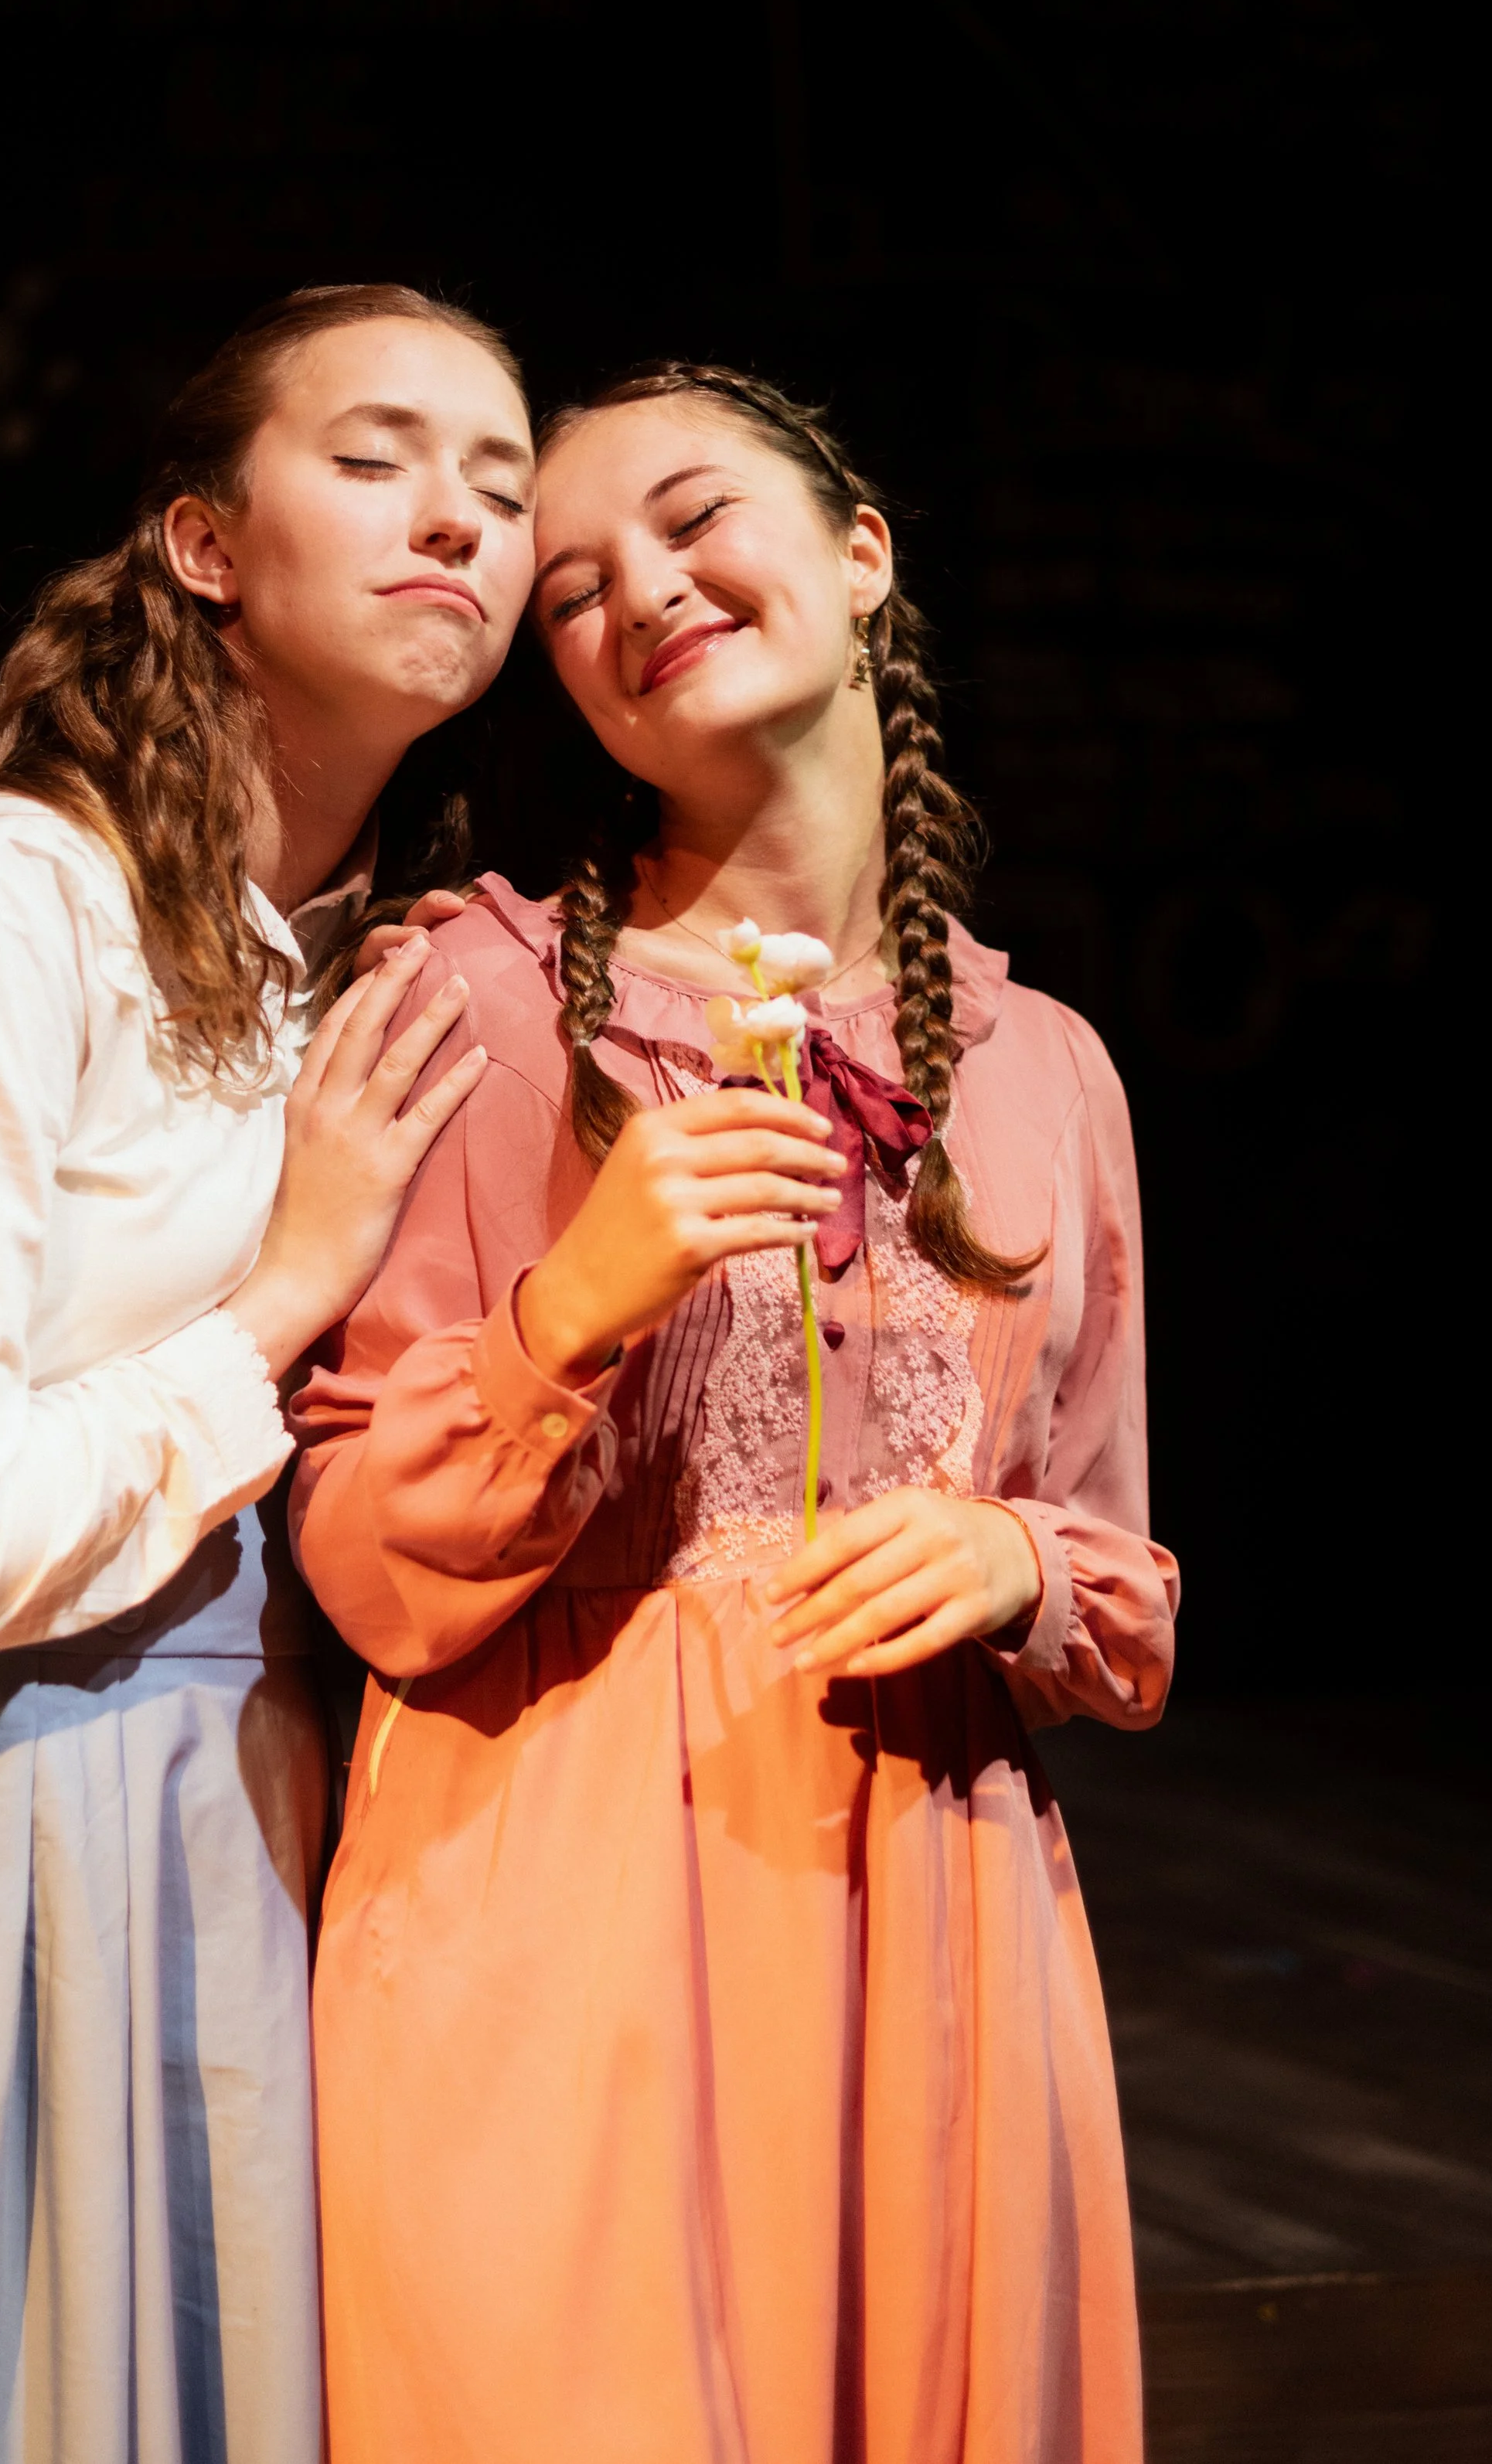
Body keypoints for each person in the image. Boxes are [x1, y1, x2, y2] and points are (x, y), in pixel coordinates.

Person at [0, 283, 536, 2464]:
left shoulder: (369, 950)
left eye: (502, 485)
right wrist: (283, 1287)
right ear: (204, 543)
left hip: (213, 1800)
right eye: (376, 457)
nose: (455, 517)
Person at [295, 363, 1179, 2464]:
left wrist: (1012, 1559)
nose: (643, 595)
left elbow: (1118, 1579)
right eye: (574, 590)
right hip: (565, 1924)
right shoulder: (489, 1003)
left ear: (860, 552)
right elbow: (358, 1564)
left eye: (694, 521)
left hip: (934, 1924)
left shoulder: (1046, 1066)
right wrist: (576, 1303)